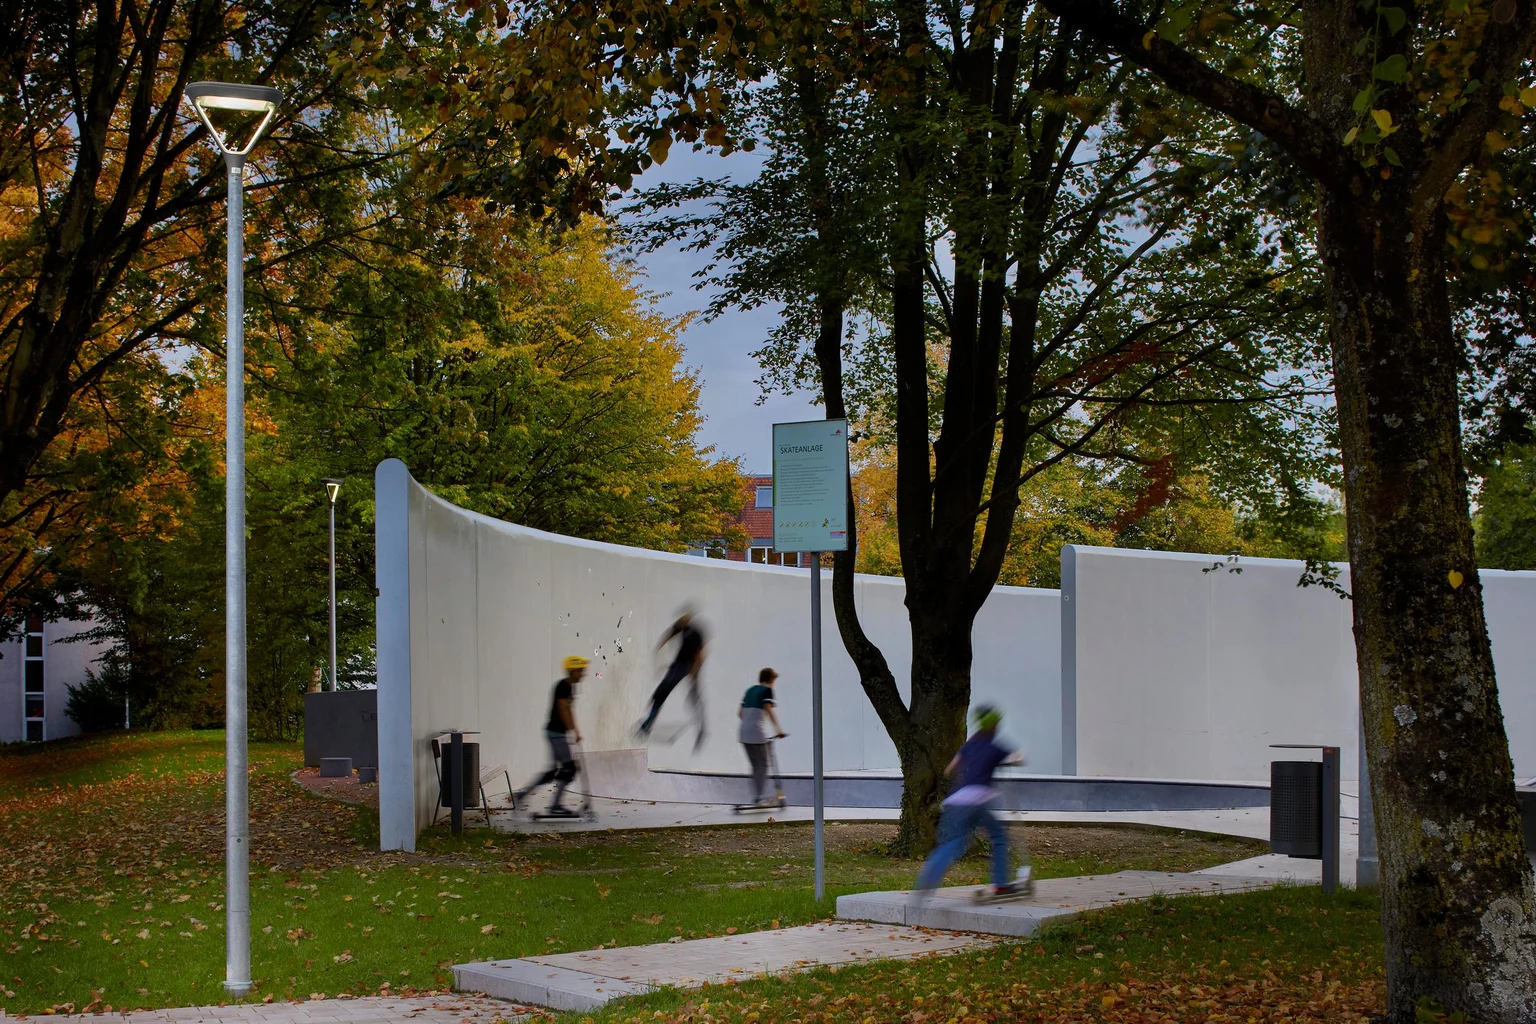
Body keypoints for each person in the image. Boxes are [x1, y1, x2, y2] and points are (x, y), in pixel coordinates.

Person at [912, 705, 1031, 900]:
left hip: (956, 800)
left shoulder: (970, 744)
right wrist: (1016, 758)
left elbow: (950, 768)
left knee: (954, 842)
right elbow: (1018, 758)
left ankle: (928, 877)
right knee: (999, 837)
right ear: (993, 726)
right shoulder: (995, 746)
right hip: (978, 800)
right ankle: (1000, 885)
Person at [515, 655, 587, 817]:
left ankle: (521, 796)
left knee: (552, 772)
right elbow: (564, 710)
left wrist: (574, 730)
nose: (583, 674)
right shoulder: (563, 687)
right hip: (556, 734)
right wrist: (574, 731)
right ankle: (556, 805)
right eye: (581, 671)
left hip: (555, 733)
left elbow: (569, 710)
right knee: (569, 768)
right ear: (573, 671)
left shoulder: (568, 687)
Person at [637, 607, 707, 748]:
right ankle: (648, 724)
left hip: (689, 666)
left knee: (693, 697)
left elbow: (701, 655)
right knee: (661, 692)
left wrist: (693, 671)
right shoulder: (680, 627)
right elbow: (668, 635)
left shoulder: (696, 633)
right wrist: (659, 649)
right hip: (679, 664)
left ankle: (701, 727)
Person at [738, 667, 787, 806]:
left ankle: (756, 795)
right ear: (771, 679)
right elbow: (768, 709)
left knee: (755, 766)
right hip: (757, 732)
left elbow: (740, 714)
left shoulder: (749, 691)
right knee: (763, 765)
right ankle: (759, 798)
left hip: (743, 732)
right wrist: (778, 730)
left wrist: (749, 723)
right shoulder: (767, 690)